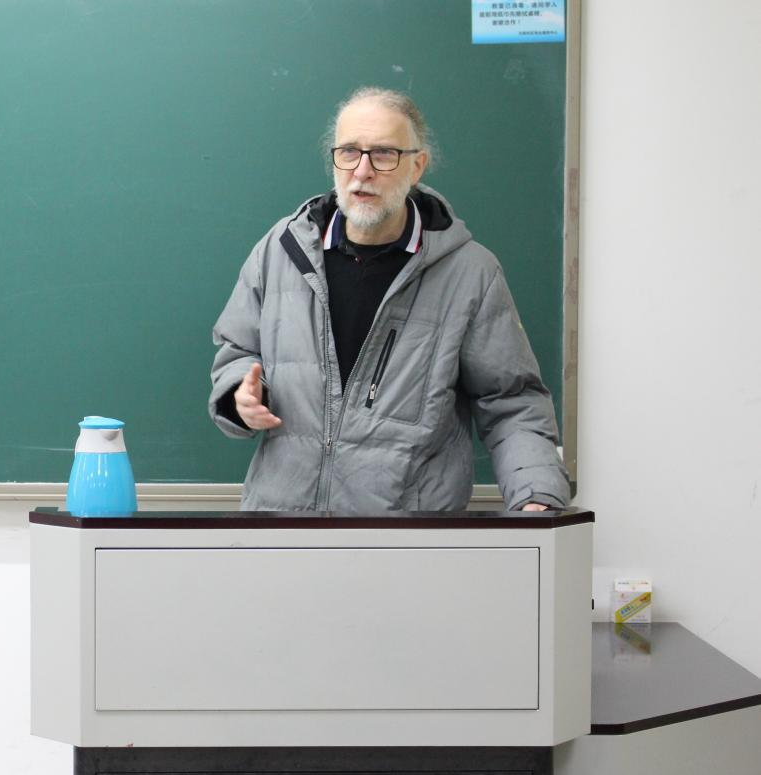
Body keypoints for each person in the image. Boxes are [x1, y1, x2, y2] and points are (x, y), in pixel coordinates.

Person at [209, 87, 569, 512]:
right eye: (349, 152)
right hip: (282, 525)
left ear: (417, 166)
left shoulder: (470, 273)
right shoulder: (280, 251)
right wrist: (242, 397)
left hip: (405, 533)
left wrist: (536, 494)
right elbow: (237, 352)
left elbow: (511, 401)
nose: (362, 171)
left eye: (383, 154)